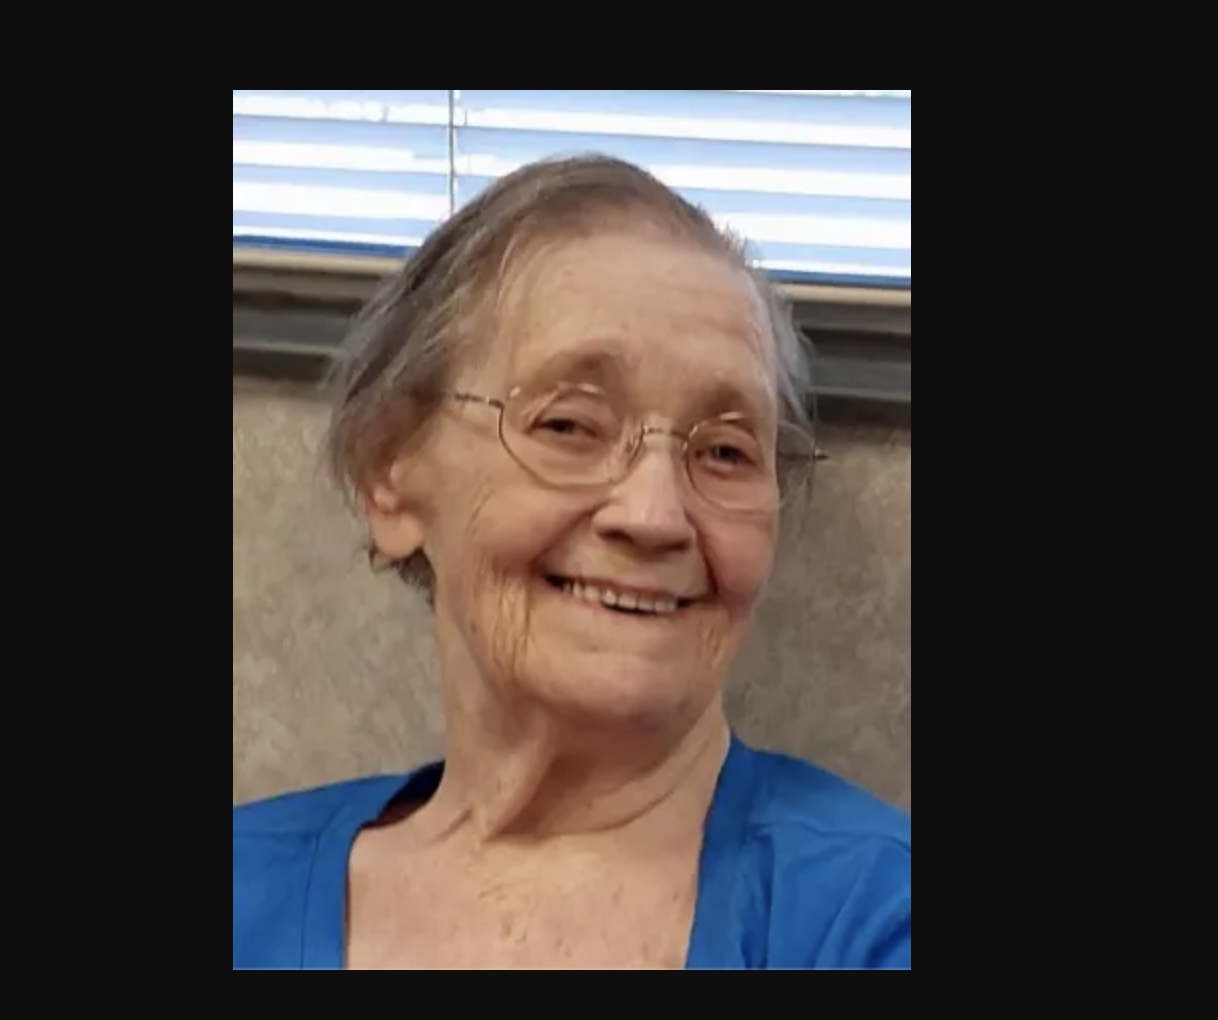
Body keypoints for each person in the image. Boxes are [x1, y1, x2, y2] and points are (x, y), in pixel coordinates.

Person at [232, 155, 911, 971]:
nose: (654, 516)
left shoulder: (874, 918)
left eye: (726, 452)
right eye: (569, 426)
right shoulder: (246, 885)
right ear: (391, 470)